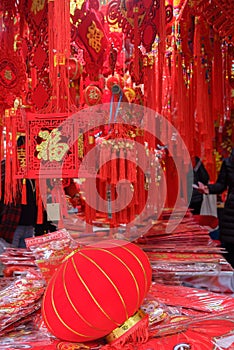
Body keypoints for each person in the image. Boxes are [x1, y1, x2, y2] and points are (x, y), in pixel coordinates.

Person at [197, 148, 234, 268]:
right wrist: (208, 189)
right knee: (230, 251)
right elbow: (221, 185)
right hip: (231, 214)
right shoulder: (229, 162)